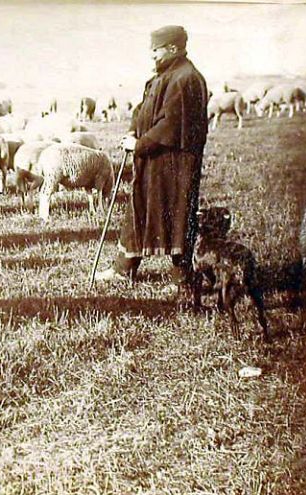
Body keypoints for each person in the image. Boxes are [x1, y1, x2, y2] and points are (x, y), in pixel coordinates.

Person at [95, 25, 209, 295]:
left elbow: (171, 123)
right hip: (153, 160)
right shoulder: (165, 75)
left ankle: (182, 278)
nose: (151, 55)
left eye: (155, 49)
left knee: (176, 214)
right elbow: (145, 109)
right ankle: (124, 268)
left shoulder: (185, 78)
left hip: (175, 163)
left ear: (173, 48)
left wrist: (140, 144)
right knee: (140, 206)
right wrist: (134, 128)